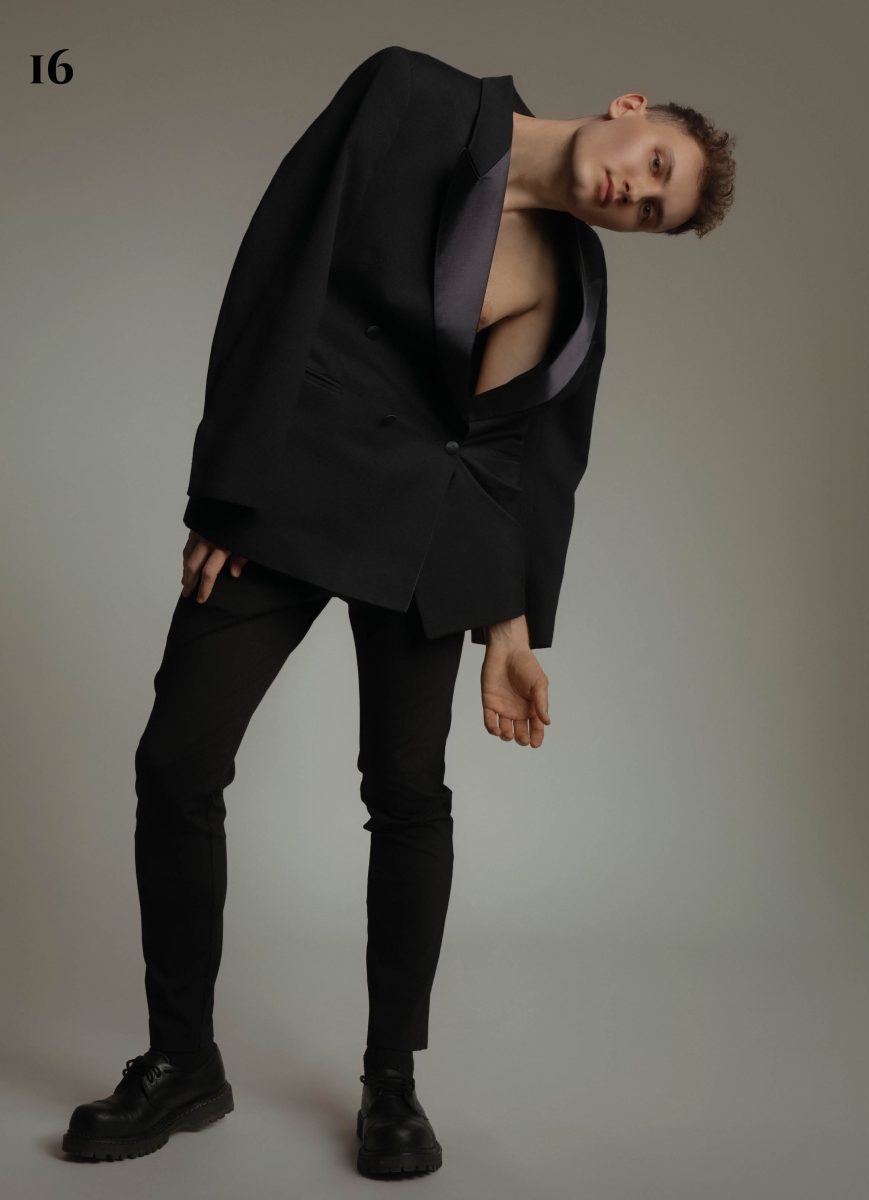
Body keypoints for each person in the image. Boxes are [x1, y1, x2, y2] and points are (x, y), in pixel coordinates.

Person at [62, 45, 735, 1177]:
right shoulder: (411, 96)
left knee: (408, 795)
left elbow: (517, 461)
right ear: (630, 109)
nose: (635, 194)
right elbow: (279, 270)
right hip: (290, 493)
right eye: (654, 164)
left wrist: (508, 632)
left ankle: (391, 1082)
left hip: (428, 540)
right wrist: (226, 489)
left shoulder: (574, 282)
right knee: (177, 762)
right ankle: (181, 1062)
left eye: (653, 213)